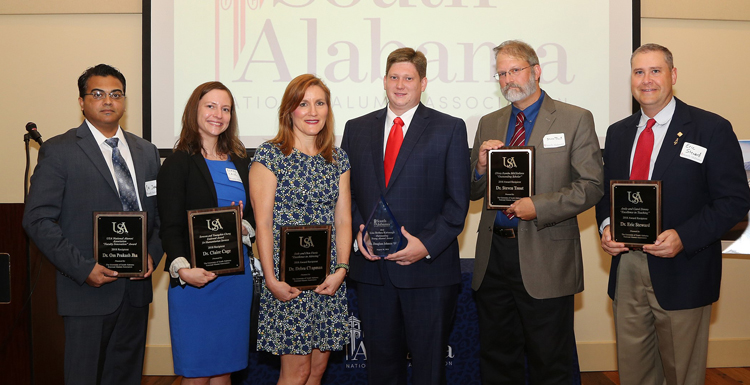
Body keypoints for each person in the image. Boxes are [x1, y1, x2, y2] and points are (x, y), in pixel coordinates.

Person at [595, 43, 750, 385]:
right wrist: (607, 225)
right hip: (627, 269)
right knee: (634, 372)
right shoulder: (618, 133)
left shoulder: (710, 128)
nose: (646, 80)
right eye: (638, 72)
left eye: (655, 71)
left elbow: (735, 200)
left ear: (673, 75)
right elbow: (606, 194)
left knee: (682, 374)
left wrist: (684, 237)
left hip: (684, 270)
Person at [469, 40, 603, 384]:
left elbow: (590, 185)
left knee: (550, 361)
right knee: (498, 358)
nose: (508, 79)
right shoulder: (489, 122)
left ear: (537, 71)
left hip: (546, 256)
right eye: (501, 73)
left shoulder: (575, 119)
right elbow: (472, 192)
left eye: (515, 70)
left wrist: (537, 206)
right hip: (494, 256)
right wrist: (481, 168)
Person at [22, 64, 163, 385]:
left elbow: (159, 216)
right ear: (82, 101)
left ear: (124, 101)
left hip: (136, 291)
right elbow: (37, 218)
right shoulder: (59, 151)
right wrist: (83, 268)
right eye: (97, 94)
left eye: (116, 94)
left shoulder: (147, 152)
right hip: (86, 290)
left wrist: (152, 255)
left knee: (126, 376)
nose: (108, 101)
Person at [341, 47, 470, 385]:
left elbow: (458, 204)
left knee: (429, 370)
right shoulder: (356, 129)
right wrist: (358, 232)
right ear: (384, 81)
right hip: (373, 273)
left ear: (423, 83)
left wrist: (425, 245)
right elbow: (347, 195)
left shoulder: (450, 128)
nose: (400, 85)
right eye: (394, 77)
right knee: (381, 368)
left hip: (428, 273)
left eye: (408, 78)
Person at [249, 74, 351, 385]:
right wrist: (271, 280)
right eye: (303, 103)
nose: (312, 111)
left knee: (317, 372)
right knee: (297, 373)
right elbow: (263, 224)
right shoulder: (270, 156)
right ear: (289, 110)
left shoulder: (338, 159)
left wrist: (342, 270)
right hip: (286, 283)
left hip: (328, 280)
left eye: (320, 103)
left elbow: (343, 220)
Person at [157, 81, 257, 384]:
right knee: (197, 372)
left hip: (234, 281)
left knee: (224, 370)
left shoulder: (240, 160)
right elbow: (170, 225)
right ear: (194, 110)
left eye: (225, 108)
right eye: (210, 106)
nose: (219, 114)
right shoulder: (177, 163)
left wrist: (242, 225)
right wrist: (183, 270)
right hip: (195, 280)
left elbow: (251, 216)